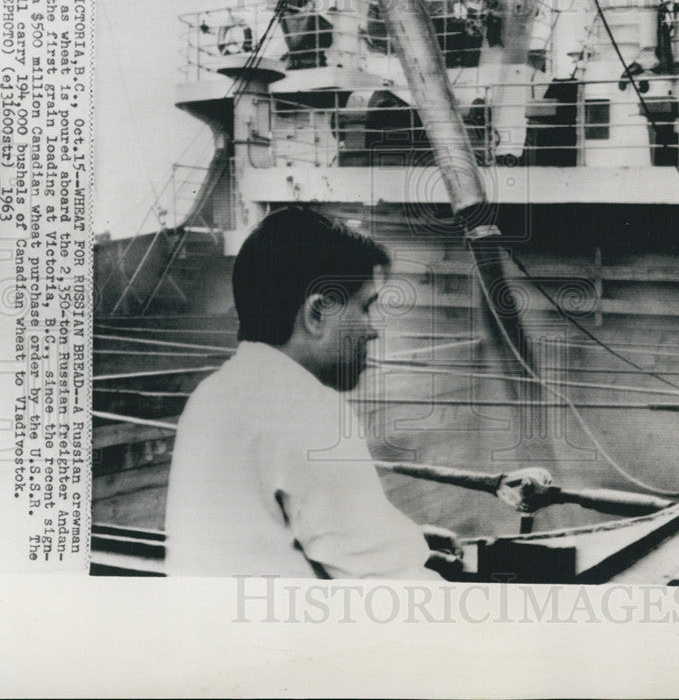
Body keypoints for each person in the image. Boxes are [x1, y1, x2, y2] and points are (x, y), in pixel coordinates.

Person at [164, 208, 461, 579]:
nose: (373, 331)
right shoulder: (304, 407)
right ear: (317, 312)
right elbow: (391, 588)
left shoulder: (212, 393)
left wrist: (407, 540)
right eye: (366, 307)